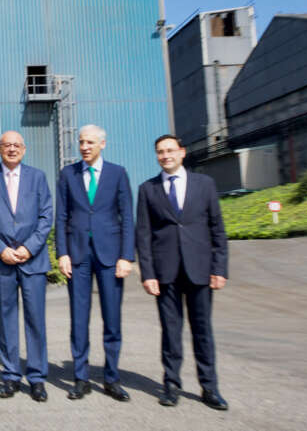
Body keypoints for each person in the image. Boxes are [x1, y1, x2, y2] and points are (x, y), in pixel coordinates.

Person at [136, 134, 229, 411]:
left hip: (200, 269)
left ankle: (209, 387)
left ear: (182, 152)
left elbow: (217, 229)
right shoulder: (147, 189)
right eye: (160, 152)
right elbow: (143, 234)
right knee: (170, 330)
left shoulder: (205, 185)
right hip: (165, 272)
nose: (165, 156)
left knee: (202, 331)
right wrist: (147, 273)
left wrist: (219, 267)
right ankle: (171, 384)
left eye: (170, 150)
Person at [55, 124, 134, 402]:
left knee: (112, 319)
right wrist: (62, 253)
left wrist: (126, 256)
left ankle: (112, 378)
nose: (84, 146)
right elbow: (61, 216)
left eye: (90, 142)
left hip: (110, 256)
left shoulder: (117, 173)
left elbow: (127, 217)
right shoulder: (68, 174)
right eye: (81, 142)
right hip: (77, 257)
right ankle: (81, 377)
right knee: (79, 319)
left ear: (103, 144)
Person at [0, 130, 52, 402]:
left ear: (24, 149)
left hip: (33, 260)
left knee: (35, 320)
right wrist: (1, 249)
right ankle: (10, 375)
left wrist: (29, 247)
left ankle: (38, 377)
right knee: (5, 320)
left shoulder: (38, 178)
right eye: (7, 145)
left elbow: (46, 216)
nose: (12, 149)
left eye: (16, 145)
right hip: (1, 260)